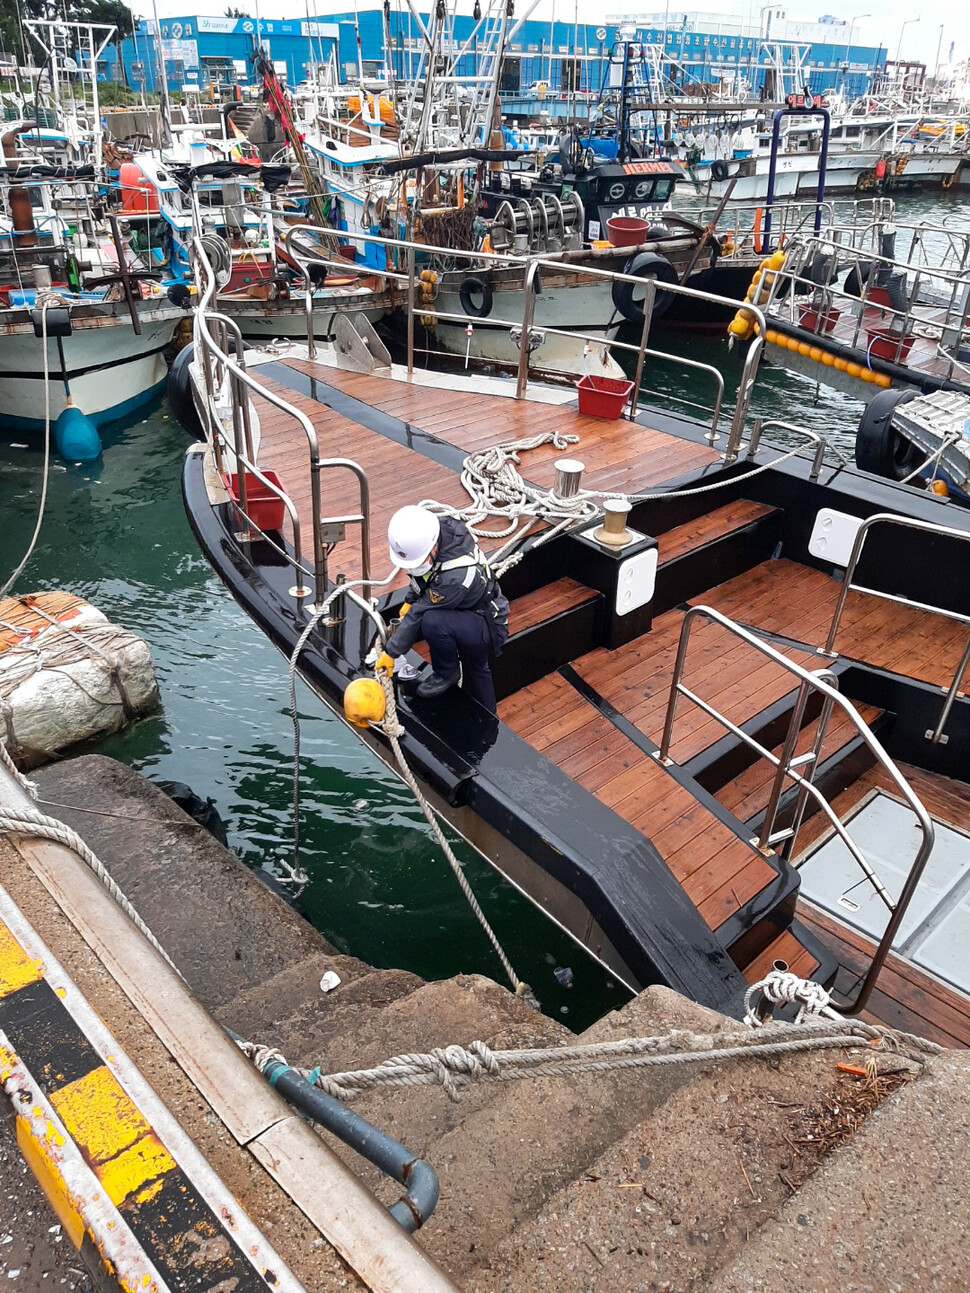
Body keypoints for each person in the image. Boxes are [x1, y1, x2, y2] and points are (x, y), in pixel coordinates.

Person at [375, 505, 509, 713]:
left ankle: (481, 714)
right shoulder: (438, 532)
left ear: (433, 548)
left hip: (486, 622)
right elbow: (422, 579)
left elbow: (421, 610)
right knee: (430, 619)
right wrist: (409, 599)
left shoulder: (454, 576)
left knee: (470, 660)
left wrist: (391, 652)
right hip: (463, 609)